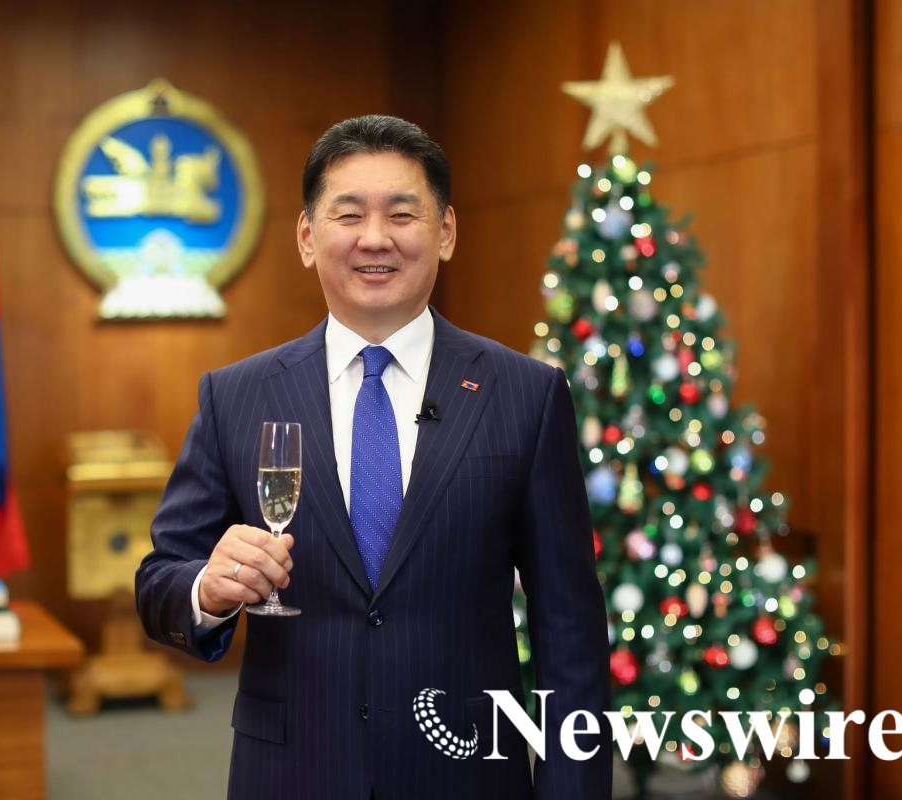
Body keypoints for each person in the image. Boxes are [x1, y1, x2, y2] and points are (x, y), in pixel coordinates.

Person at [136, 115, 610, 799]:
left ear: (446, 232)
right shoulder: (236, 396)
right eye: (349, 214)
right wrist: (207, 590)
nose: (375, 238)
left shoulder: (525, 395)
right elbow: (158, 581)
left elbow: (569, 630)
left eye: (403, 214)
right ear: (307, 237)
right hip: (290, 776)